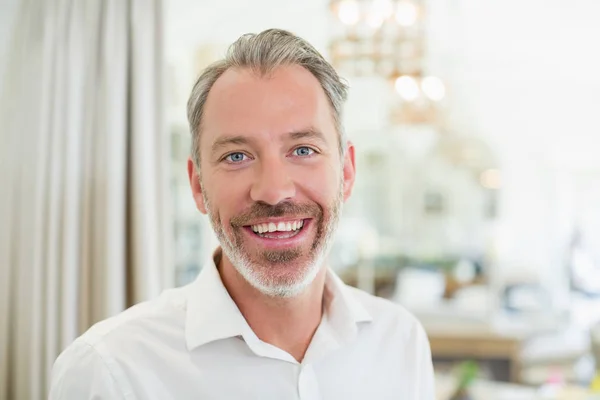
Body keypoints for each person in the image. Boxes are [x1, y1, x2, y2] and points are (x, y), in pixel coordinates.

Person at [50, 28, 435, 399]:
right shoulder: (109, 372)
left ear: (347, 173)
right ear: (198, 186)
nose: (273, 190)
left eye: (303, 150)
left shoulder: (400, 343)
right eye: (237, 156)